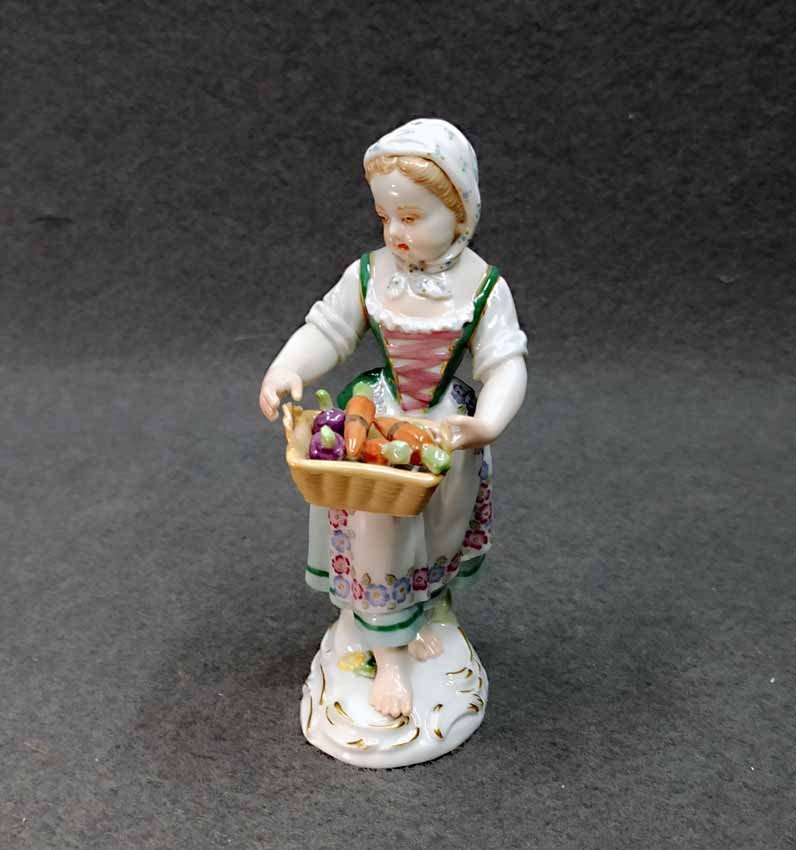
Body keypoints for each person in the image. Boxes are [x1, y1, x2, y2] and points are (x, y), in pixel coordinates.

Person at [260, 118, 527, 719]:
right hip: (376, 427)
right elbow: (329, 327)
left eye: (411, 217)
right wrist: (287, 367)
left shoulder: (484, 286)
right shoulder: (371, 272)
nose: (395, 232)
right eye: (385, 217)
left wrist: (487, 423)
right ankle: (388, 654)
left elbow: (505, 361)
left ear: (460, 214)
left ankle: (429, 610)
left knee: (438, 532)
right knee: (379, 533)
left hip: (444, 431)